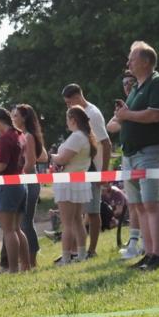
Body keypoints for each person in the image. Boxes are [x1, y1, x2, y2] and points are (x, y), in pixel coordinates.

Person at [113, 41, 159, 271]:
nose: (128, 63)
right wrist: (124, 115)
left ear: (146, 61)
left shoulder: (158, 83)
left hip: (149, 151)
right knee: (138, 206)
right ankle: (148, 254)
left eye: (132, 59)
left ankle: (158, 255)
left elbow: (156, 115)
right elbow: (127, 117)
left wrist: (127, 114)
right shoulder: (137, 86)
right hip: (130, 154)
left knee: (151, 204)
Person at [62, 85, 110, 258]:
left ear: (77, 97)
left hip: (92, 169)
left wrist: (103, 173)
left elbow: (106, 143)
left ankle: (91, 250)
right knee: (77, 214)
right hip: (82, 170)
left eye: (69, 103)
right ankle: (75, 250)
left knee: (93, 211)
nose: (68, 107)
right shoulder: (79, 114)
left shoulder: (93, 114)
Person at [0, 108, 30, 273]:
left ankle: (14, 269)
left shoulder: (4, 139)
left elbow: (0, 165)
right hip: (20, 183)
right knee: (17, 229)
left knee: (8, 230)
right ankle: (26, 266)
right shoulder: (20, 135)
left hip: (7, 186)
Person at [0, 104, 48, 269]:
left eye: (16, 116)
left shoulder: (28, 136)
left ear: (24, 118)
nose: (13, 119)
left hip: (27, 180)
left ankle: (30, 261)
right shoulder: (19, 136)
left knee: (25, 223)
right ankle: (22, 261)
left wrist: (18, 173)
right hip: (22, 180)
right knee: (19, 225)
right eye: (12, 115)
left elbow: (32, 162)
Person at [49, 106, 97, 264]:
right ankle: (81, 254)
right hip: (78, 181)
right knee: (77, 220)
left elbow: (63, 159)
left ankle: (66, 256)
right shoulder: (86, 136)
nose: (66, 122)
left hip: (68, 182)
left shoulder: (77, 136)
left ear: (73, 120)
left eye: (67, 119)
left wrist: (52, 157)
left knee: (67, 222)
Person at [108, 73, 145, 259]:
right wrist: (125, 120)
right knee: (134, 202)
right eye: (124, 83)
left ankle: (145, 241)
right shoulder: (125, 104)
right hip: (128, 155)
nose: (127, 86)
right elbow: (111, 126)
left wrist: (126, 119)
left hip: (143, 154)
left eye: (131, 82)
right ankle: (134, 241)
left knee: (145, 202)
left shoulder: (140, 98)